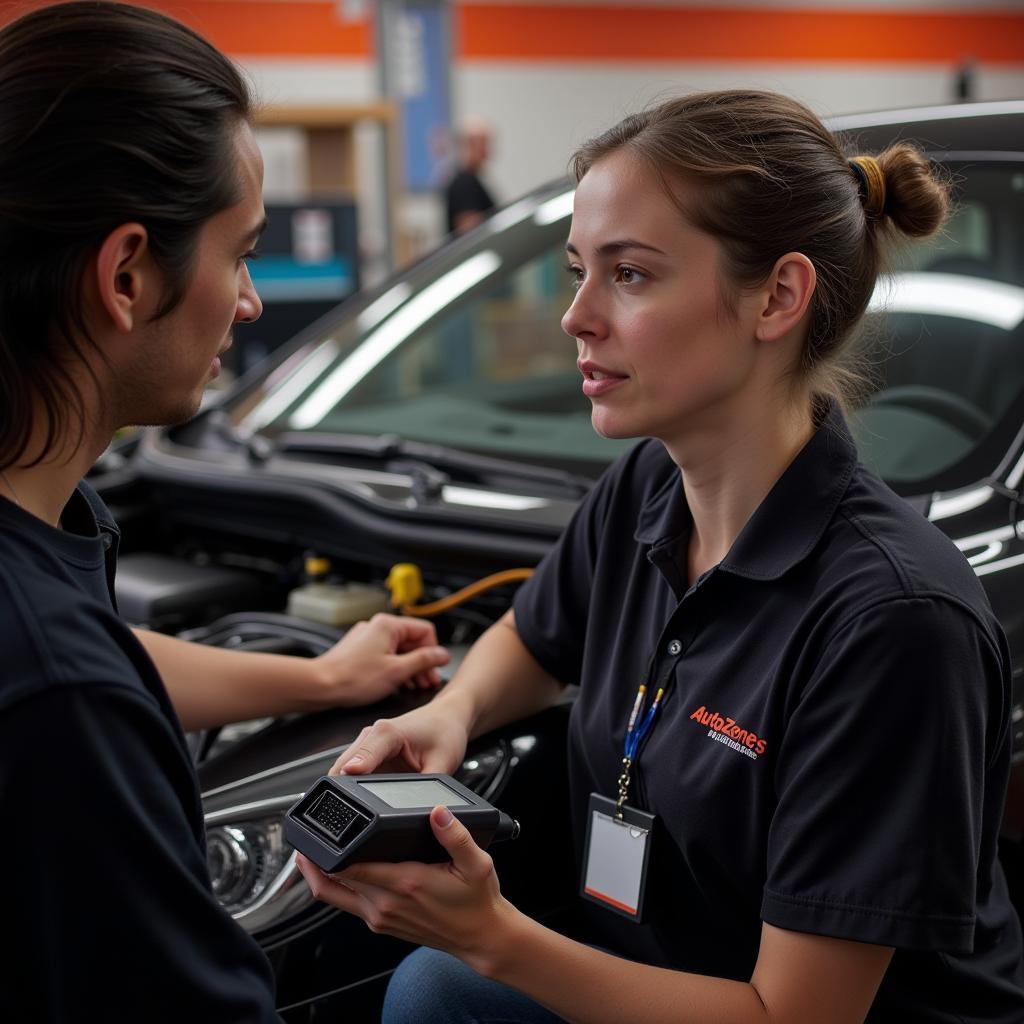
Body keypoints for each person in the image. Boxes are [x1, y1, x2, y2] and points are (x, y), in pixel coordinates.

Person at [297, 90, 1024, 1022]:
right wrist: (453, 711)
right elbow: (534, 634)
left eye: (629, 275)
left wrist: (491, 937)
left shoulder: (895, 623)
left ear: (779, 297)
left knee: (442, 987)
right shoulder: (648, 487)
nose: (576, 317)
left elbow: (792, 1017)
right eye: (576, 272)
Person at [0, 3, 448, 1019]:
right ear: (123, 276)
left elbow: (107, 654)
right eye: (238, 251)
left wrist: (322, 674)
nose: (248, 300)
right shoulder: (56, 693)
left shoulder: (49, 547)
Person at [444, 118, 496, 235]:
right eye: (483, 144)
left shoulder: (472, 181)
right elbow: (470, 232)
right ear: (470, 145)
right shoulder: (465, 184)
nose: (487, 151)